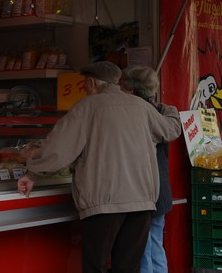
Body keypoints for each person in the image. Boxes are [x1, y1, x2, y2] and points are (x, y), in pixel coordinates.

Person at [17, 61, 181, 273]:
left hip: (104, 203)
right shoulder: (142, 107)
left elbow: (58, 148)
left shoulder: (86, 107)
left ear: (92, 83)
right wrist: (170, 109)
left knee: (96, 266)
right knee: (128, 268)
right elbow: (171, 129)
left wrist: (32, 173)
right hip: (142, 203)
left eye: (85, 83)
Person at [121, 65, 177, 273]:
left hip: (141, 191)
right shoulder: (163, 112)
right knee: (155, 243)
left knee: (141, 248)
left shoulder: (132, 115)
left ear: (131, 89)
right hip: (160, 190)